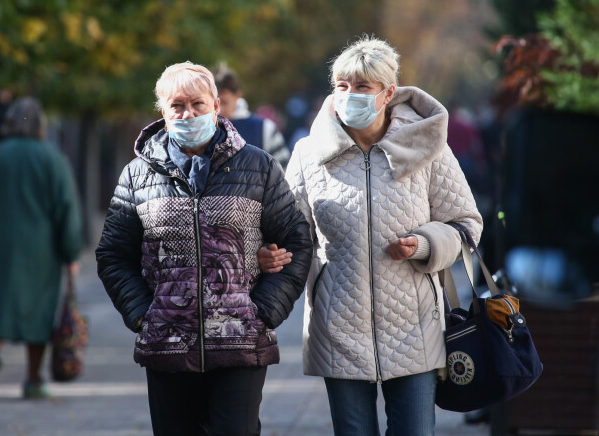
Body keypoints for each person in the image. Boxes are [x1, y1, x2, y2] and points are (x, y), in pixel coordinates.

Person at [258, 36, 483, 436]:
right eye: (342, 86)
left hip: (414, 326)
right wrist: (270, 255)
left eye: (362, 87)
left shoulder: (428, 148)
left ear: (388, 93)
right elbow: (290, 234)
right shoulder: (309, 154)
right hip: (338, 326)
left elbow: (466, 224)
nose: (350, 96)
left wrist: (425, 244)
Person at [95, 61, 312, 436]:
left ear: (216, 106)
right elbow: (113, 254)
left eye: (197, 104)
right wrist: (144, 315)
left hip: (240, 341)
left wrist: (264, 311)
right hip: (167, 344)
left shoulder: (258, 167)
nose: (188, 113)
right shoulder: (137, 175)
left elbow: (297, 239)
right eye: (177, 105)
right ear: (163, 112)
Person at [0, 97, 82, 399]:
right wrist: (71, 251)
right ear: (41, 125)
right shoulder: (54, 160)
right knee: (38, 310)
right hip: (41, 250)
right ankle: (32, 378)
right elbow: (67, 208)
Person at [213, 64, 291, 169]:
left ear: (237, 95)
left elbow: (283, 173)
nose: (220, 109)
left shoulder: (264, 129)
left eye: (225, 102)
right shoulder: (204, 131)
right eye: (215, 103)